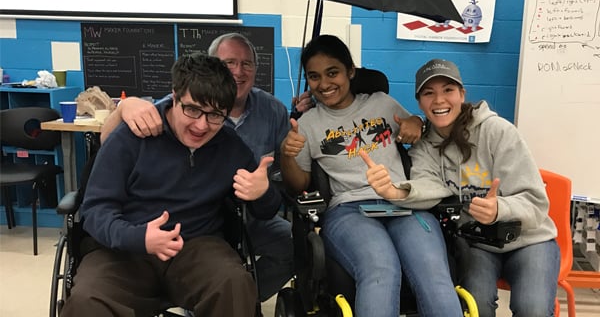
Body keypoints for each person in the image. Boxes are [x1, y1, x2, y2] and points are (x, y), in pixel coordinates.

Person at [61, 54, 281, 317]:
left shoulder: (230, 146)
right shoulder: (132, 136)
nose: (201, 125)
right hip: (122, 251)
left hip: (197, 247)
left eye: (215, 115)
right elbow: (95, 211)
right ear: (174, 98)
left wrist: (263, 192)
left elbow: (266, 211)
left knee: (234, 284)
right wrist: (138, 237)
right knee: (88, 301)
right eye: (193, 109)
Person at [99, 32, 307, 301]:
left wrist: (268, 183)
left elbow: (273, 190)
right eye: (229, 62)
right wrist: (123, 108)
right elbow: (108, 146)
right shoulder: (172, 107)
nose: (238, 71)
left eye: (247, 64)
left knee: (292, 248)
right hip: (179, 222)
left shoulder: (272, 111)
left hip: (236, 219)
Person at [280, 34, 463, 317]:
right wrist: (287, 154)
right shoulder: (307, 125)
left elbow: (416, 130)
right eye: (314, 77)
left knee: (434, 273)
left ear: (350, 71)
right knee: (381, 267)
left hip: (403, 202)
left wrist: (416, 123)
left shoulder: (382, 103)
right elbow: (299, 184)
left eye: (333, 73)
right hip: (349, 210)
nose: (324, 84)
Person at [362, 58, 560, 317]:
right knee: (475, 305)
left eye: (448, 90)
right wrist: (394, 191)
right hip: (478, 244)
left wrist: (499, 208)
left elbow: (536, 202)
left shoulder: (497, 131)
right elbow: (429, 186)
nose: (439, 100)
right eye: (428, 93)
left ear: (462, 94)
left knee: (531, 308)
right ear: (419, 102)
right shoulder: (425, 146)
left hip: (530, 240)